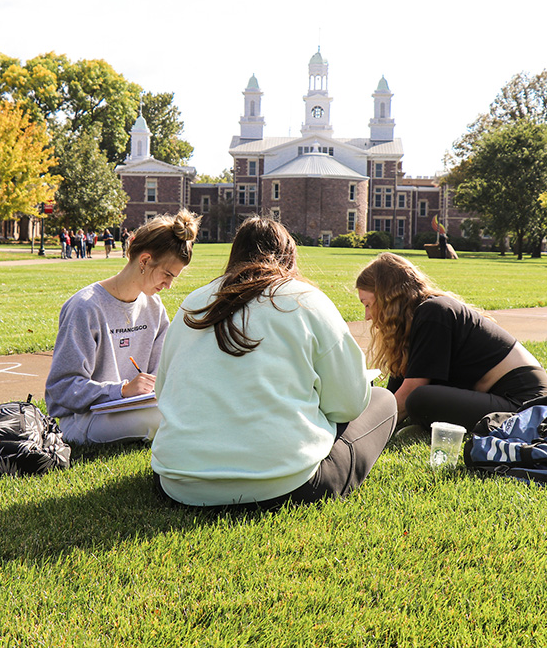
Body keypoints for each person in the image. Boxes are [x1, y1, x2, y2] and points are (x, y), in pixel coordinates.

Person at [151, 217, 397, 509]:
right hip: (285, 485)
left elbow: (163, 392)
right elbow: (349, 404)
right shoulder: (307, 301)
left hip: (177, 481)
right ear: (289, 256)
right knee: (383, 400)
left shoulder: (194, 303)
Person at [44, 208, 201, 445]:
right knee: (166, 418)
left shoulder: (154, 307)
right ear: (145, 260)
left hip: (136, 410)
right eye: (167, 275)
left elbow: (162, 373)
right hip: (84, 418)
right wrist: (123, 391)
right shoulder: (85, 307)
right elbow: (62, 389)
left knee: (192, 405)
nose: (168, 285)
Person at [355, 252, 547, 431]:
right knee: (409, 400)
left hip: (525, 403)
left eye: (368, 305)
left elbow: (411, 391)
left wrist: (365, 431)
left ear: (388, 299)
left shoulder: (433, 312)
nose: (367, 316)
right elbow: (395, 393)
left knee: (419, 399)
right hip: (502, 399)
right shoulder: (413, 321)